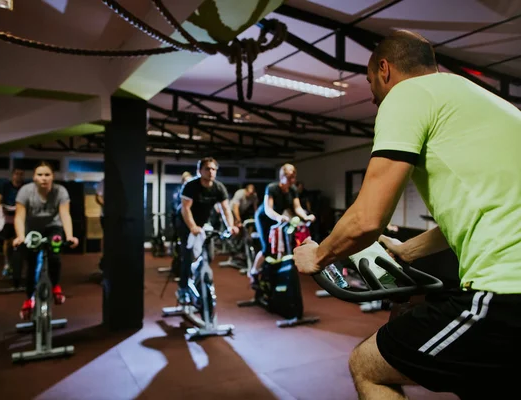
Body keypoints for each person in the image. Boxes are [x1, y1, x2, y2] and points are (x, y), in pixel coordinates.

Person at [293, 30, 521, 399]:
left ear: (385, 69)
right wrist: (406, 252)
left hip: (506, 290)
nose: (371, 96)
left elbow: (368, 220)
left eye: (370, 82)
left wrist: (317, 255)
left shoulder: (407, 94)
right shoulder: (486, 103)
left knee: (368, 366)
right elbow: (483, 209)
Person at [13, 162, 79, 320]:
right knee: (32, 264)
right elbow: (20, 216)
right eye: (40, 175)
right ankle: (29, 299)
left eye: (47, 175)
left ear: (52, 177)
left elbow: (65, 215)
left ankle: (56, 286)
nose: (44, 178)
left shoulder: (60, 191)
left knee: (55, 253)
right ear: (34, 177)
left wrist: (70, 236)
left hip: (53, 228)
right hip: (32, 229)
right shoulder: (25, 191)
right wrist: (20, 236)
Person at [176, 157, 238, 304]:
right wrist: (192, 227)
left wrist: (230, 226)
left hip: (203, 223)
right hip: (186, 222)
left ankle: (198, 275)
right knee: (187, 257)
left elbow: (226, 210)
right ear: (199, 171)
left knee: (209, 256)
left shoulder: (218, 187)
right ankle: (183, 289)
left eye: (213, 169)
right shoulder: (191, 186)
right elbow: (186, 209)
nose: (211, 172)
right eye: (207, 169)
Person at [249, 164, 315, 283]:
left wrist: (306, 217)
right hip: (265, 218)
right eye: (289, 177)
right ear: (282, 176)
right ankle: (253, 271)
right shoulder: (272, 187)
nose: (292, 180)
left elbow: (297, 207)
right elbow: (268, 209)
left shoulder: (293, 189)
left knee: (283, 245)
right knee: (267, 248)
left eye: (293, 177)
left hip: (280, 219)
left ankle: (276, 271)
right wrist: (279, 217)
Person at [0, 168, 24, 278]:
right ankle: (7, 263)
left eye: (21, 174)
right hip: (7, 216)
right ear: (13, 175)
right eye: (17, 174)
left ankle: (19, 264)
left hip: (20, 215)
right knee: (7, 241)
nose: (19, 176)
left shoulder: (25, 188)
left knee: (21, 239)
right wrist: (0, 207)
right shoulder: (5, 186)